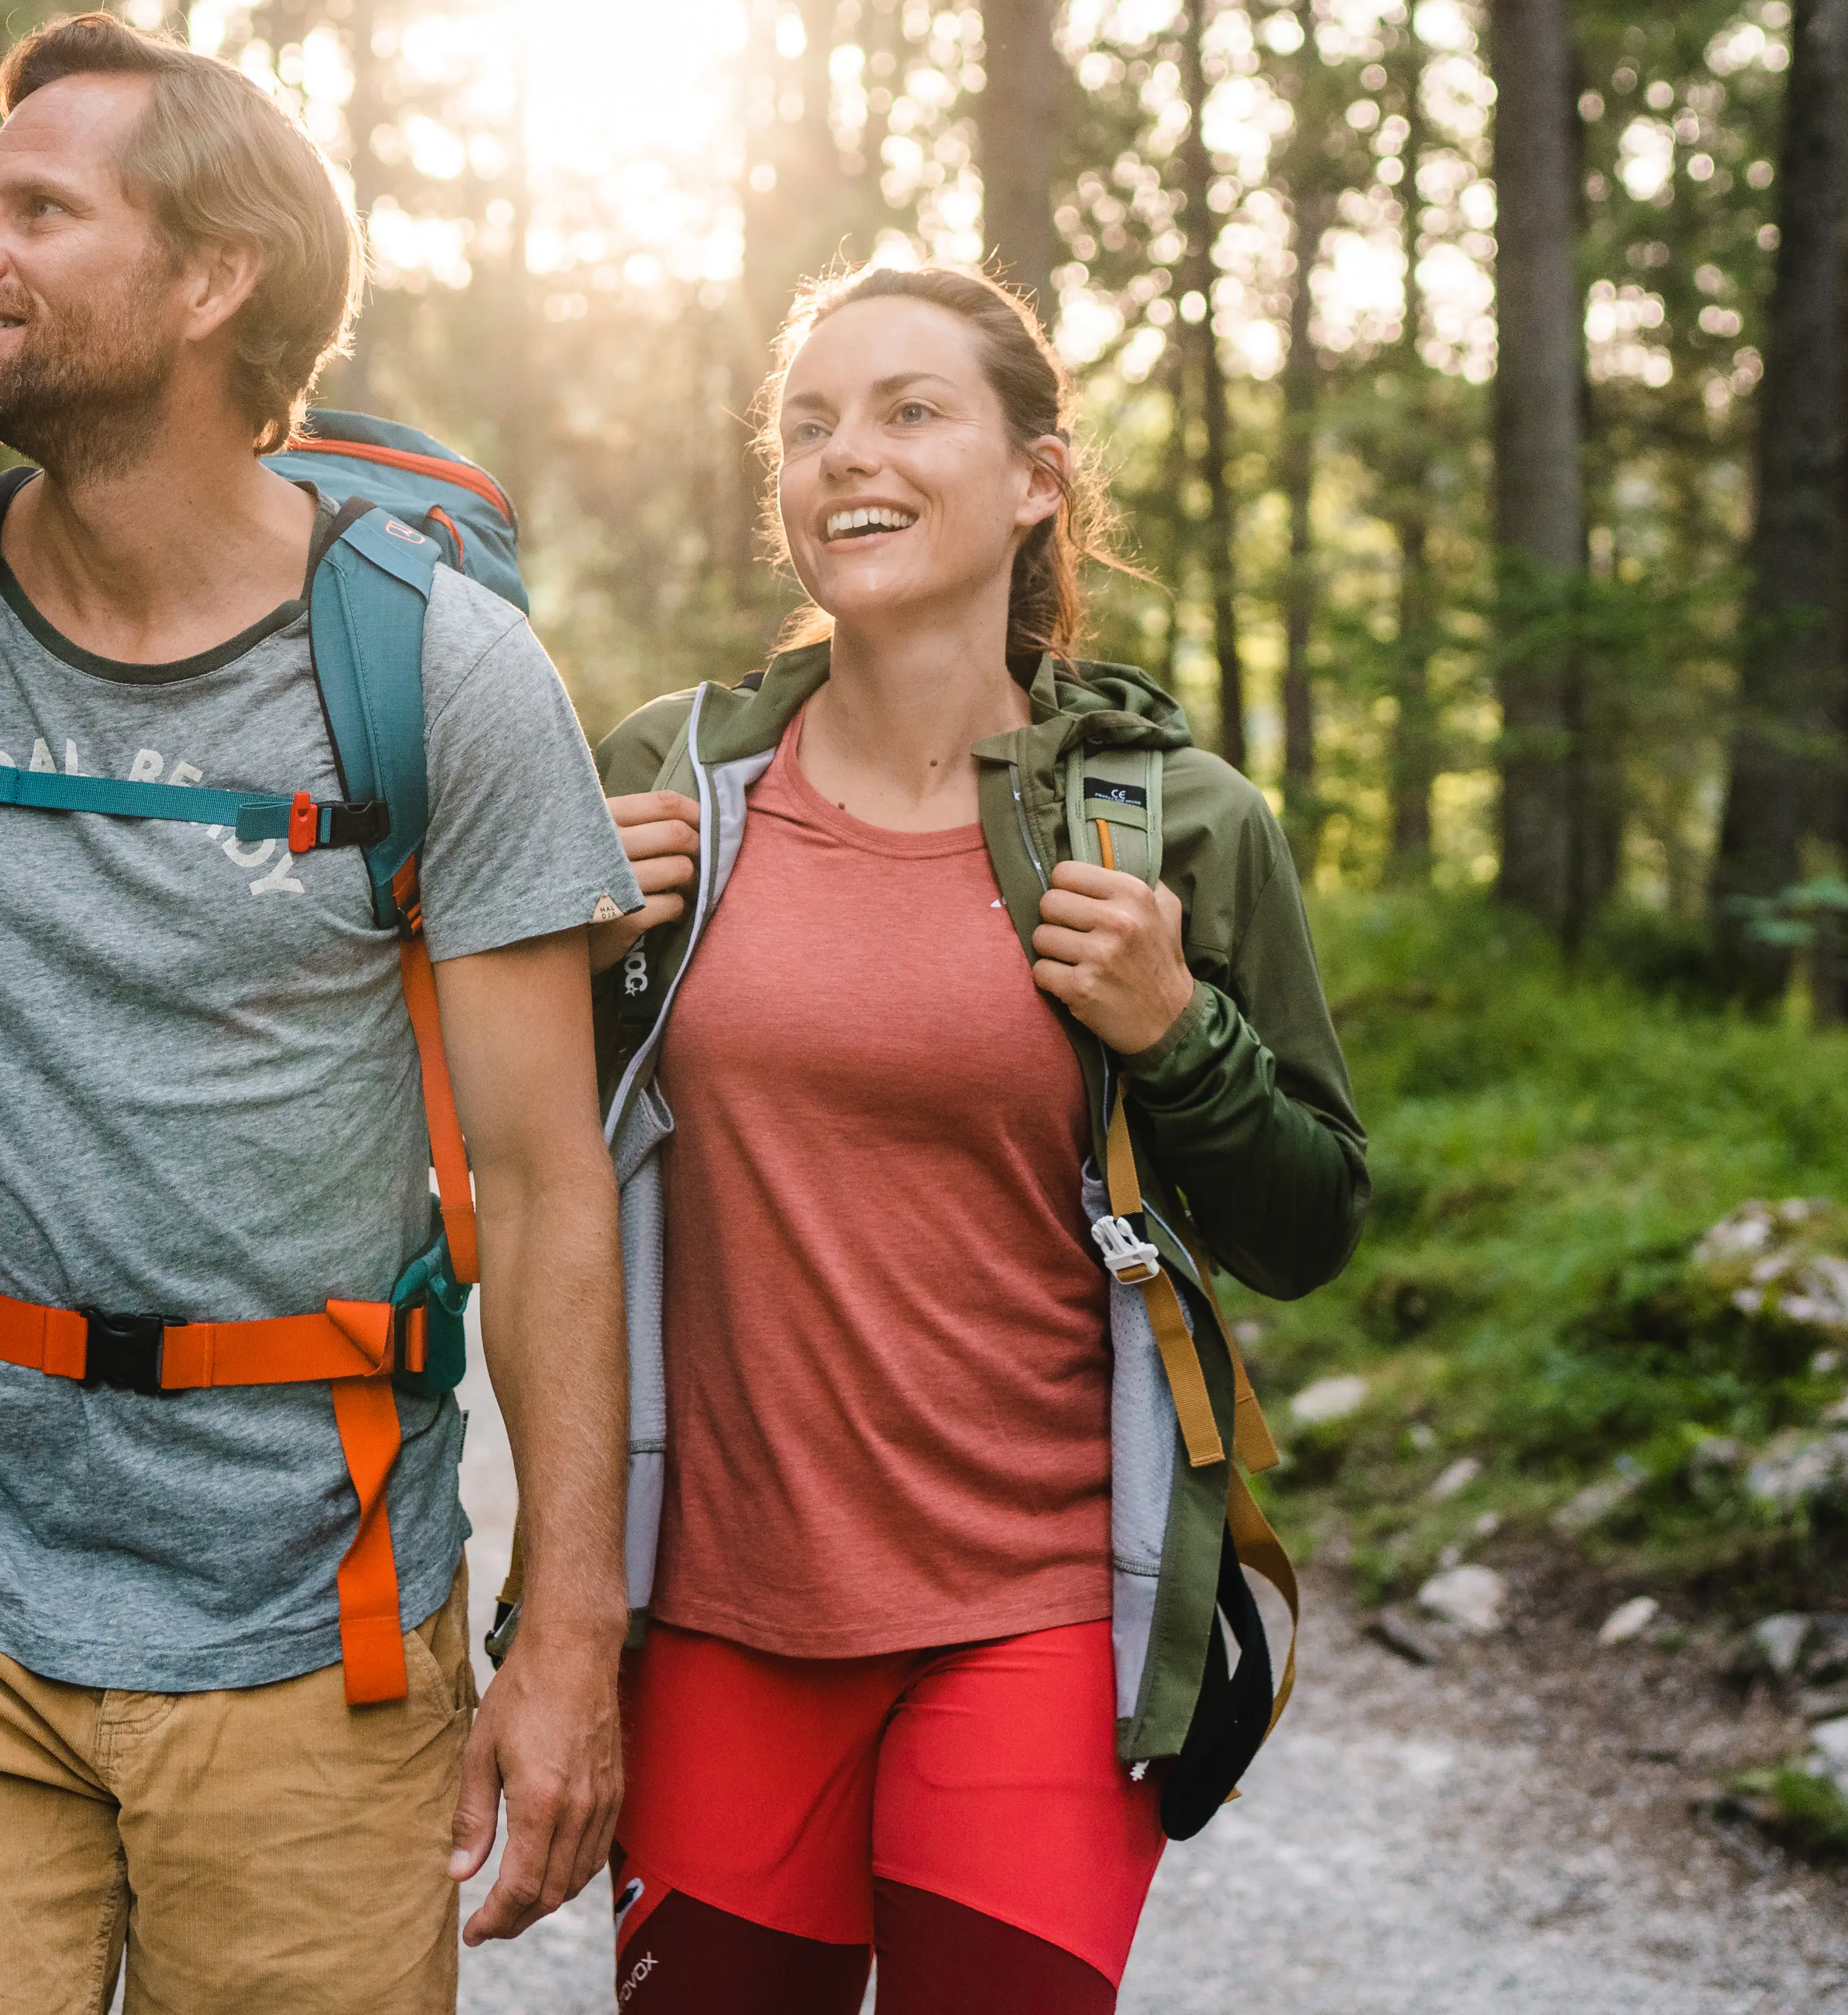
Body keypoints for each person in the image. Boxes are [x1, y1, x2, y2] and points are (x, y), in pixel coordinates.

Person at [0, 12, 634, 2015]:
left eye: (37, 210)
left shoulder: (442, 680)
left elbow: (544, 1181)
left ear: (208, 280)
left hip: (315, 1628)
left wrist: (566, 1639)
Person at [584, 264, 1368, 2012]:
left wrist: (1181, 1035)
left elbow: (1311, 1224)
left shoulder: (1176, 821)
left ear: (1037, 480)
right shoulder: (673, 780)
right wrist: (574, 974)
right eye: (807, 423)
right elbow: (542, 1163)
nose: (843, 454)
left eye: (908, 409)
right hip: (719, 1610)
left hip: (1044, 1611)